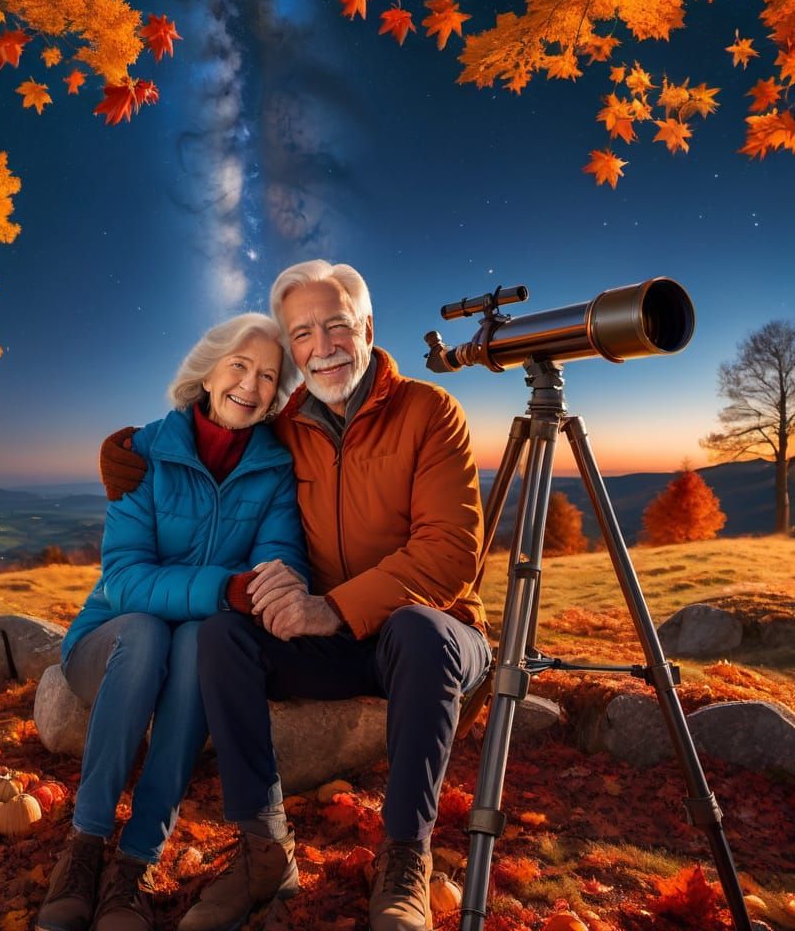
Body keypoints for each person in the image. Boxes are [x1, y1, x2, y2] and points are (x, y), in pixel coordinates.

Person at [102, 260, 490, 931]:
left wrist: (331, 607)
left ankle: (404, 861)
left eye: (337, 325)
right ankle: (263, 852)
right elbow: (212, 428)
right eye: (302, 332)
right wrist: (129, 450)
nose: (322, 346)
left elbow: (450, 552)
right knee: (222, 634)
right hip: (330, 643)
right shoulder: (282, 424)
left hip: (432, 633)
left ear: (367, 328)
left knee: (419, 632)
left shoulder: (430, 412)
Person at [37, 313, 307, 931]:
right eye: (239, 365)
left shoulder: (275, 469)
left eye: (267, 375)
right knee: (149, 630)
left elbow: (279, 564)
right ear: (206, 373)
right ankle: (84, 846)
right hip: (109, 645)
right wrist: (225, 588)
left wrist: (268, 586)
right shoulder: (139, 454)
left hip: (193, 646)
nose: (250, 383)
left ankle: (133, 864)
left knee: (195, 646)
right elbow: (125, 579)